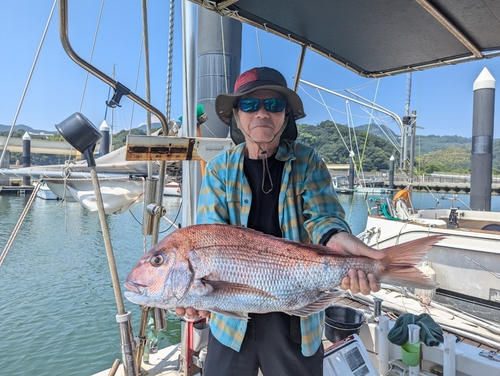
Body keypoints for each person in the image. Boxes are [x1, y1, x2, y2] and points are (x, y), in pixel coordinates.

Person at [176, 66, 384, 375]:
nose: (261, 112)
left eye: (273, 104)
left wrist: (336, 238)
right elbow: (208, 239)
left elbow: (323, 217)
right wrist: (191, 295)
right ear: (236, 114)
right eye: (249, 104)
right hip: (231, 321)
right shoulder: (219, 169)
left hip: (296, 317)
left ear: (285, 115)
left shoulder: (308, 161)